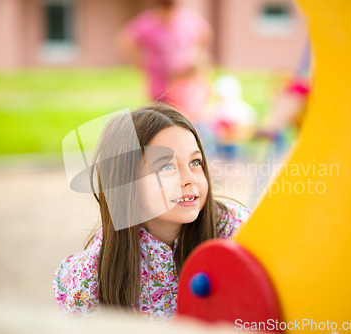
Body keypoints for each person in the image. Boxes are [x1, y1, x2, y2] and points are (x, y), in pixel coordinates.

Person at [53, 104, 252, 321]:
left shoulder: (241, 232)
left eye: (195, 162)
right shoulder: (90, 278)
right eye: (166, 167)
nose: (190, 179)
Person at [118, 0, 212, 108]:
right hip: (159, 83)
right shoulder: (148, 22)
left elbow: (205, 34)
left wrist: (196, 55)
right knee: (161, 112)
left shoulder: (188, 19)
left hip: (183, 82)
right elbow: (126, 40)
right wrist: (139, 62)